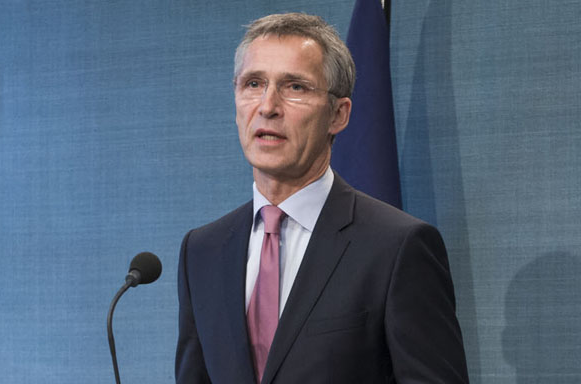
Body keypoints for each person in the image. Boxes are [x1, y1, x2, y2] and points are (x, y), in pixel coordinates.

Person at [176, 13, 469, 384]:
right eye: (253, 84)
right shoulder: (202, 251)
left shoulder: (397, 247)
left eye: (295, 87)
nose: (267, 106)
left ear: (339, 114)